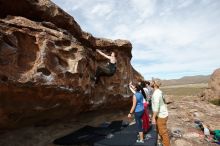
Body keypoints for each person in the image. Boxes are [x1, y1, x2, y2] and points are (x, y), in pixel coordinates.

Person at [151, 79, 170, 146]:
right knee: (160, 131)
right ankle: (163, 143)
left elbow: (156, 107)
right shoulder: (159, 91)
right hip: (162, 114)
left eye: (152, 82)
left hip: (161, 115)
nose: (151, 82)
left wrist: (153, 117)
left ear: (155, 84)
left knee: (163, 133)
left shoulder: (156, 94)